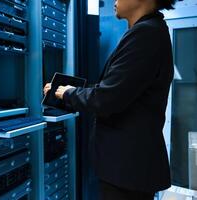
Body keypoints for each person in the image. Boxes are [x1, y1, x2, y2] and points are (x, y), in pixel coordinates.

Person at [43, 0, 175, 199]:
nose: (114, 0)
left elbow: (108, 99)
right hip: (128, 167)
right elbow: (120, 90)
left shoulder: (146, 34)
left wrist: (69, 93)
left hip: (127, 169)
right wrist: (68, 91)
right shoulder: (150, 31)